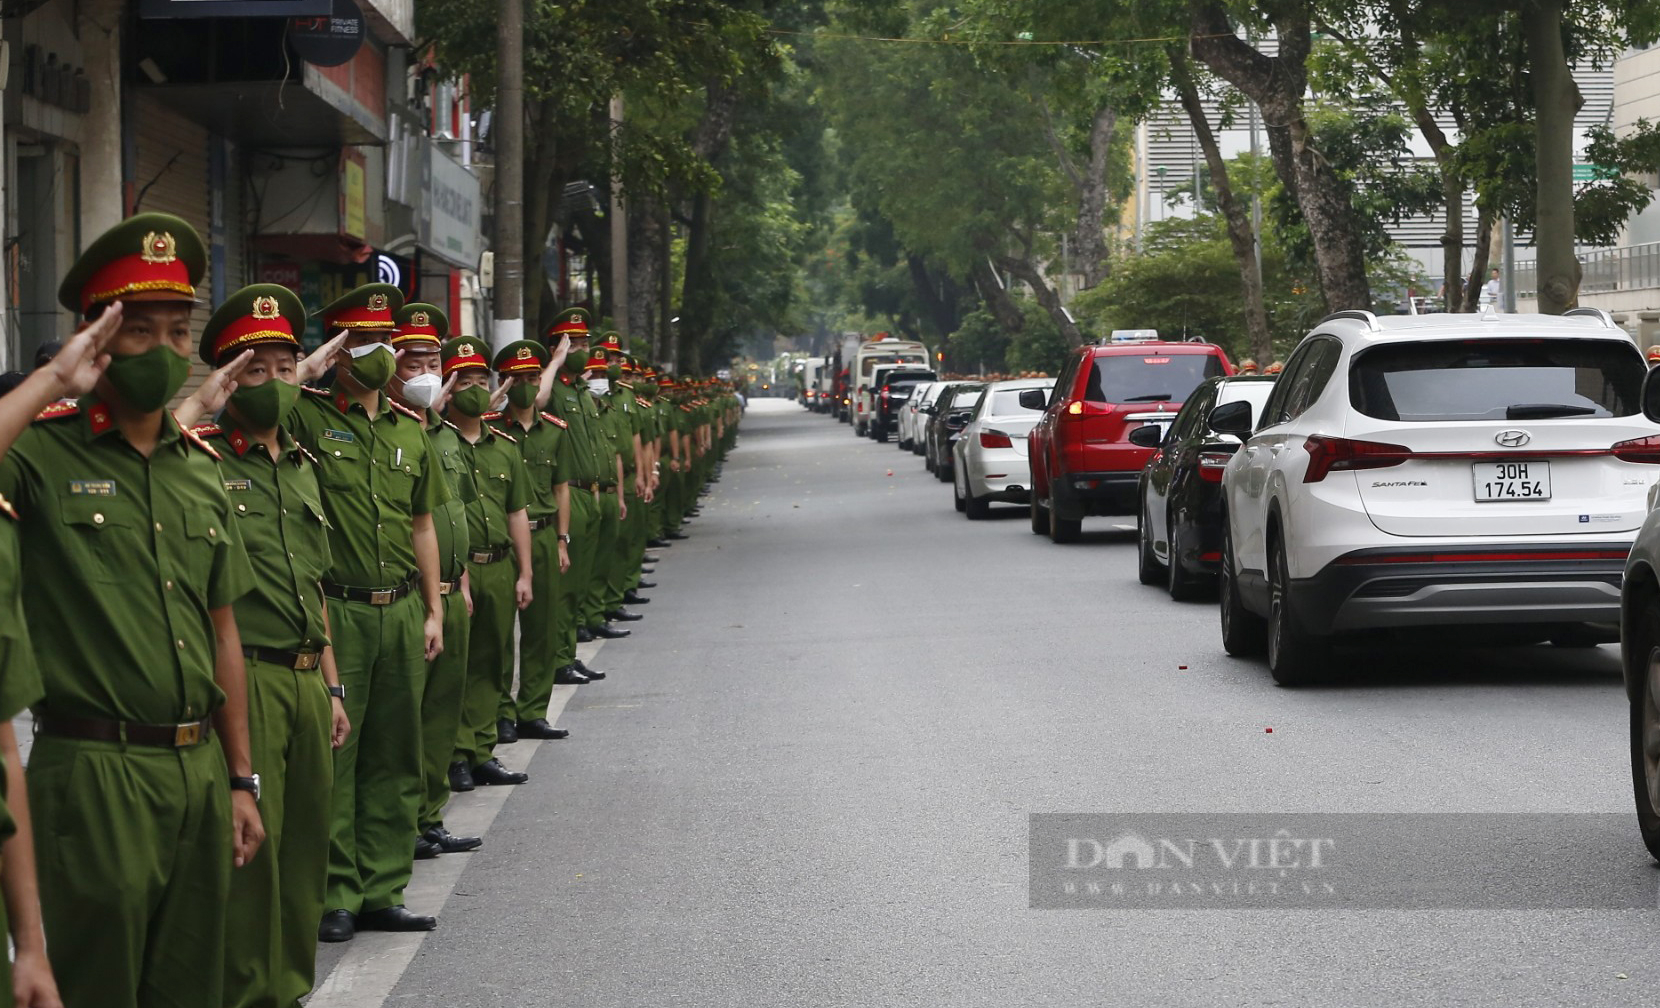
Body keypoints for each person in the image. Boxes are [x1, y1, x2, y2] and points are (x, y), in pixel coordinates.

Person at [0, 212, 262, 1008]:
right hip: (92, 773)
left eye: (178, 331)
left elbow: (224, 633)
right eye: (138, 330)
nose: (165, 349)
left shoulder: (202, 470)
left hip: (197, 771)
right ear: (97, 338)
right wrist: (48, 382)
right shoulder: (41, 454)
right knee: (95, 987)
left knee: (189, 986)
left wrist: (241, 778)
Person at [185, 283, 351, 1008]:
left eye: (288, 369)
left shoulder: (304, 467)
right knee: (254, 852)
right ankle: (248, 993)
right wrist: (201, 403)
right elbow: (151, 444)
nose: (278, 383)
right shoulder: (202, 462)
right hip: (244, 681)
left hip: (309, 680)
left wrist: (335, 686)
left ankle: (289, 988)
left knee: (306, 849)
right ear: (227, 378)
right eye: (258, 370)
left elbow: (313, 585)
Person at [287, 283, 449, 943]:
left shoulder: (411, 429)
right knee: (341, 753)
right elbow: (259, 403)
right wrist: (318, 360)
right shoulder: (308, 416)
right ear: (341, 349)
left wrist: (434, 608)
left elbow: (423, 527)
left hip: (404, 609)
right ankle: (338, 892)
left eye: (385, 342)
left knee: (394, 751)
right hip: (340, 612)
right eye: (364, 342)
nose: (380, 355)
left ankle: (385, 887)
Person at [386, 303, 482, 857]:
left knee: (442, 714)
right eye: (412, 359)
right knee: (407, 724)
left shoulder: (444, 433)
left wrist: (460, 579)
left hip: (450, 591)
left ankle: (429, 816)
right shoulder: (390, 431)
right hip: (406, 600)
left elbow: (454, 516)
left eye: (432, 360)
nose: (424, 370)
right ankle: (403, 825)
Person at [441, 336, 535, 783]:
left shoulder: (504, 447)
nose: (476, 388)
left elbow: (517, 512)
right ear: (446, 388)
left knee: (493, 660)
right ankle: (456, 754)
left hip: (499, 566)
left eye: (482, 379)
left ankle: (481, 750)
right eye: (465, 381)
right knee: (457, 665)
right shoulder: (438, 444)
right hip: (459, 569)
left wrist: (526, 573)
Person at [486, 337, 590, 737]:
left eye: (533, 377)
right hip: (503, 542)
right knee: (498, 634)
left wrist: (562, 540)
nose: (527, 385)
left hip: (545, 537)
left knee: (541, 629)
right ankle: (500, 713)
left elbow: (561, 488)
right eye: (519, 378)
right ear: (505, 383)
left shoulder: (555, 431)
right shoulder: (492, 431)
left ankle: (532, 709)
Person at [542, 309, 622, 646]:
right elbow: (537, 400)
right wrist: (555, 363)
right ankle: (562, 652)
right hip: (569, 493)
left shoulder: (581, 391)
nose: (582, 349)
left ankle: (580, 630)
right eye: (572, 343)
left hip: (592, 493)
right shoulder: (555, 390)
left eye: (584, 341)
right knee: (567, 582)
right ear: (556, 348)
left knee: (586, 573)